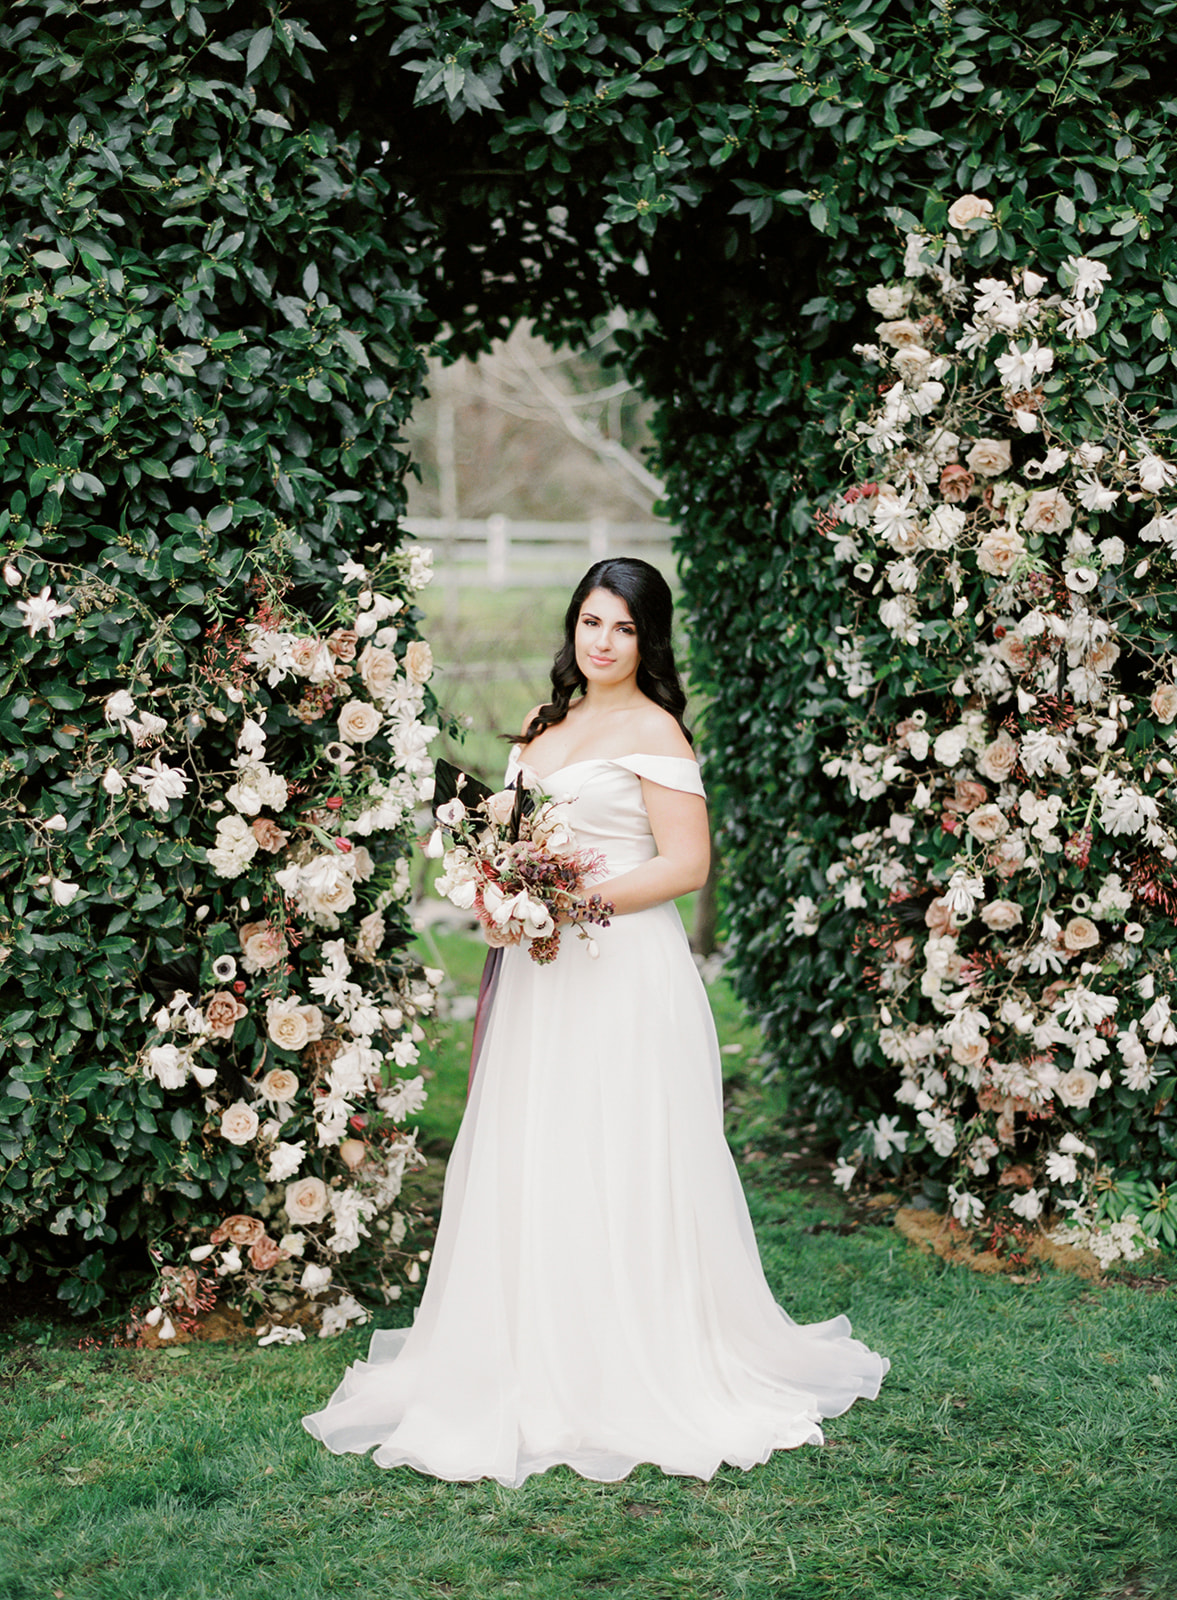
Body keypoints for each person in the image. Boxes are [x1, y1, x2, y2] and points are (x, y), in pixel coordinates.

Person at [302, 557, 888, 1485]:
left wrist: (575, 902)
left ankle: (630, 1354)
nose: (602, 641)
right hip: (543, 974)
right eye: (589, 622)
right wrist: (498, 895)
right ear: (572, 627)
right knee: (538, 1146)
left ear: (647, 641)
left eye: (622, 627)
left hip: (620, 970)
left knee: (620, 1149)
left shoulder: (657, 732)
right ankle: (531, 1344)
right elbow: (513, 836)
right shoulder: (541, 727)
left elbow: (687, 864)